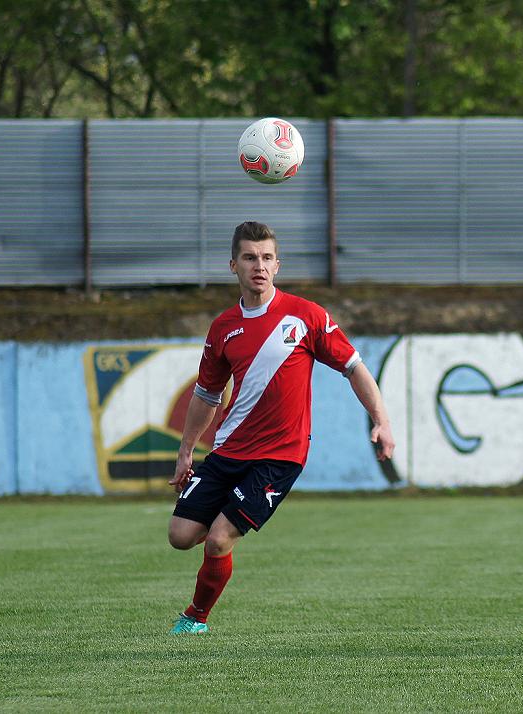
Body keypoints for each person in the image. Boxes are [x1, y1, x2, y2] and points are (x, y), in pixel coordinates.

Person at [166, 220, 395, 634]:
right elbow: (206, 395)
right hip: (228, 451)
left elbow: (354, 368)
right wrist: (186, 451)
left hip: (280, 456)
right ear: (233, 265)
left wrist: (381, 420)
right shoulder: (222, 329)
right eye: (250, 258)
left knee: (218, 539)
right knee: (181, 535)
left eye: (267, 258)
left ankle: (195, 619)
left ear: (278, 265)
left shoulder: (306, 316)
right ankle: (230, 512)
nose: (260, 266)